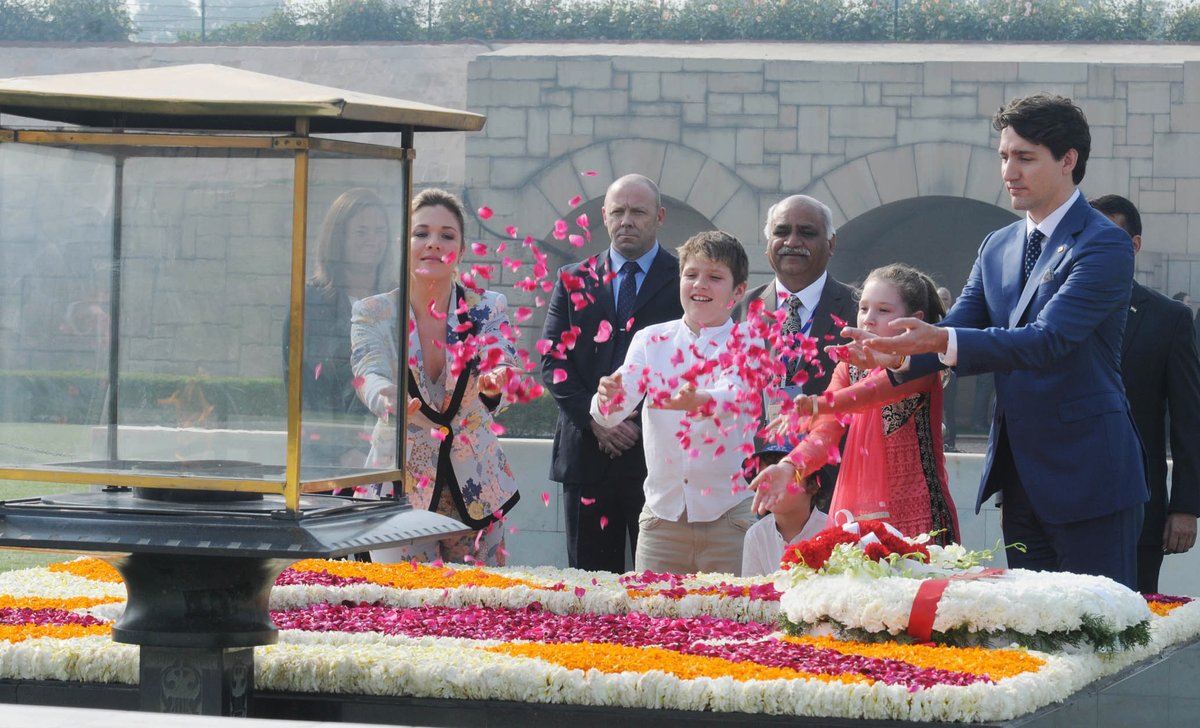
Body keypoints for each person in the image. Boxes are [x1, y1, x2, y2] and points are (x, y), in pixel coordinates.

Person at [847, 94, 1147, 589]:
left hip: (1092, 476)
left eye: (1025, 157)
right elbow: (960, 324)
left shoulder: (1104, 244)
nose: (1009, 170)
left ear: (1068, 160)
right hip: (1020, 478)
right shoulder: (998, 245)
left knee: (1102, 637)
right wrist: (896, 353)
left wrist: (938, 339)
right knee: (1032, 637)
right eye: (1004, 156)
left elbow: (1047, 340)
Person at [351, 188, 520, 565]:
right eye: (421, 233)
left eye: (447, 235)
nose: (433, 243)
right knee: (401, 608)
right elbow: (368, 370)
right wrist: (387, 397)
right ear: (403, 243)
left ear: (460, 251)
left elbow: (502, 357)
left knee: (479, 610)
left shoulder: (488, 306)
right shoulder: (372, 312)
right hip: (400, 482)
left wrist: (497, 380)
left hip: (477, 482)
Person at [590, 230, 758, 575]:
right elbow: (612, 412)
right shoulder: (651, 340)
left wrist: (700, 400)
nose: (700, 285)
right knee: (653, 625)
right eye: (691, 275)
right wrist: (605, 399)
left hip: (730, 519)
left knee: (732, 627)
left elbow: (736, 395)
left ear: (737, 291)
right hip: (661, 521)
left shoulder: (749, 340)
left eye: (715, 277)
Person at [752, 264, 959, 543]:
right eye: (863, 309)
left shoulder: (921, 363)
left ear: (915, 320)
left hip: (919, 515)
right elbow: (825, 433)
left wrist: (816, 404)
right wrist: (790, 466)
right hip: (859, 516)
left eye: (883, 310)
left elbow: (868, 393)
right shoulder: (848, 368)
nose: (868, 319)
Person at [542, 174, 683, 573]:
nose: (627, 221)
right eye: (618, 211)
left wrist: (631, 421)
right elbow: (553, 360)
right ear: (604, 216)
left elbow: (688, 358)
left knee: (658, 592)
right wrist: (597, 419)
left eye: (638, 212)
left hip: (654, 458)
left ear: (659, 216)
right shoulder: (573, 279)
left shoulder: (685, 279)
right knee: (589, 590)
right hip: (587, 455)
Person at [1090, 194, 1200, 593]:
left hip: (1139, 511)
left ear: (1133, 245)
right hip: (1056, 507)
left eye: (1107, 236)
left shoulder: (1168, 319)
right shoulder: (1050, 309)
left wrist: (1186, 506)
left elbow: (1189, 419)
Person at [732, 195, 858, 508]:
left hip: (837, 484)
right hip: (764, 486)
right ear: (767, 244)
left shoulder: (859, 310)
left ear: (831, 244)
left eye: (807, 232)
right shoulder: (740, 311)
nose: (792, 241)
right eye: (782, 232)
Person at [284, 188, 389, 470]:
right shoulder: (310, 302)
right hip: (325, 465)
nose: (373, 241)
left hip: (384, 457)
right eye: (361, 232)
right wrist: (343, 451)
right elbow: (307, 390)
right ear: (337, 238)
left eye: (380, 231)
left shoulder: (392, 302)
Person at [741, 447, 828, 577]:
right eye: (764, 478)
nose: (770, 486)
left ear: (813, 485)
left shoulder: (832, 529)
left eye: (782, 478)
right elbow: (751, 590)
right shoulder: (756, 535)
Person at [936, 286, 959, 451]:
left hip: (951, 371)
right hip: (934, 371)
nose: (943, 301)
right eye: (940, 298)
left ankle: (951, 442)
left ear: (950, 300)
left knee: (949, 408)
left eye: (945, 298)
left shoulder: (957, 316)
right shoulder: (932, 317)